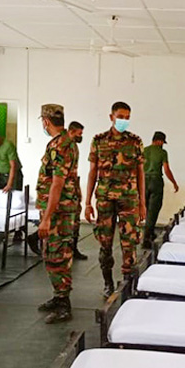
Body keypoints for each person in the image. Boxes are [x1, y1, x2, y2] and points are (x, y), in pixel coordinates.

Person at [85, 101, 146, 297]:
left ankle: (128, 285)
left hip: (129, 199)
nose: (123, 121)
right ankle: (107, 283)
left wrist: (143, 203)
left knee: (130, 243)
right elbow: (92, 172)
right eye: (120, 117)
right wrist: (87, 203)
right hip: (104, 199)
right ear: (111, 117)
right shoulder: (98, 140)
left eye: (127, 118)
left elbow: (140, 173)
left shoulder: (135, 141)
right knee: (105, 243)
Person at [35, 104, 79, 324]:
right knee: (54, 253)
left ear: (45, 121)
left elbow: (57, 184)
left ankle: (64, 304)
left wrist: (47, 218)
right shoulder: (63, 142)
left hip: (58, 211)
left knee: (57, 255)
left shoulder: (60, 145)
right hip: (60, 208)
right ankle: (58, 296)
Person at [142, 131, 179, 249]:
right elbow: (166, 169)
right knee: (153, 210)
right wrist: (174, 182)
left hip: (143, 181)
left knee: (145, 209)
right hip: (155, 182)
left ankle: (147, 233)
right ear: (160, 141)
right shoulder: (162, 152)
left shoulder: (144, 150)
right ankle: (146, 238)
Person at [67, 121, 88, 260]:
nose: (81, 136)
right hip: (66, 189)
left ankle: (73, 248)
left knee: (75, 220)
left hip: (73, 186)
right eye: (79, 133)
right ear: (72, 131)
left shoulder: (73, 146)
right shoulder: (63, 146)